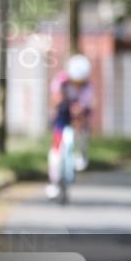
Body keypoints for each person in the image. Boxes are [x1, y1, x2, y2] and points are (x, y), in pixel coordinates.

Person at [46, 54, 94, 199]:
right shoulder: (60, 81)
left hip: (78, 114)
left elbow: (87, 104)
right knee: (56, 149)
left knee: (83, 128)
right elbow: (54, 99)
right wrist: (60, 101)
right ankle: (54, 181)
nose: (78, 84)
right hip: (63, 112)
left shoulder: (87, 86)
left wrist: (80, 111)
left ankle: (81, 153)